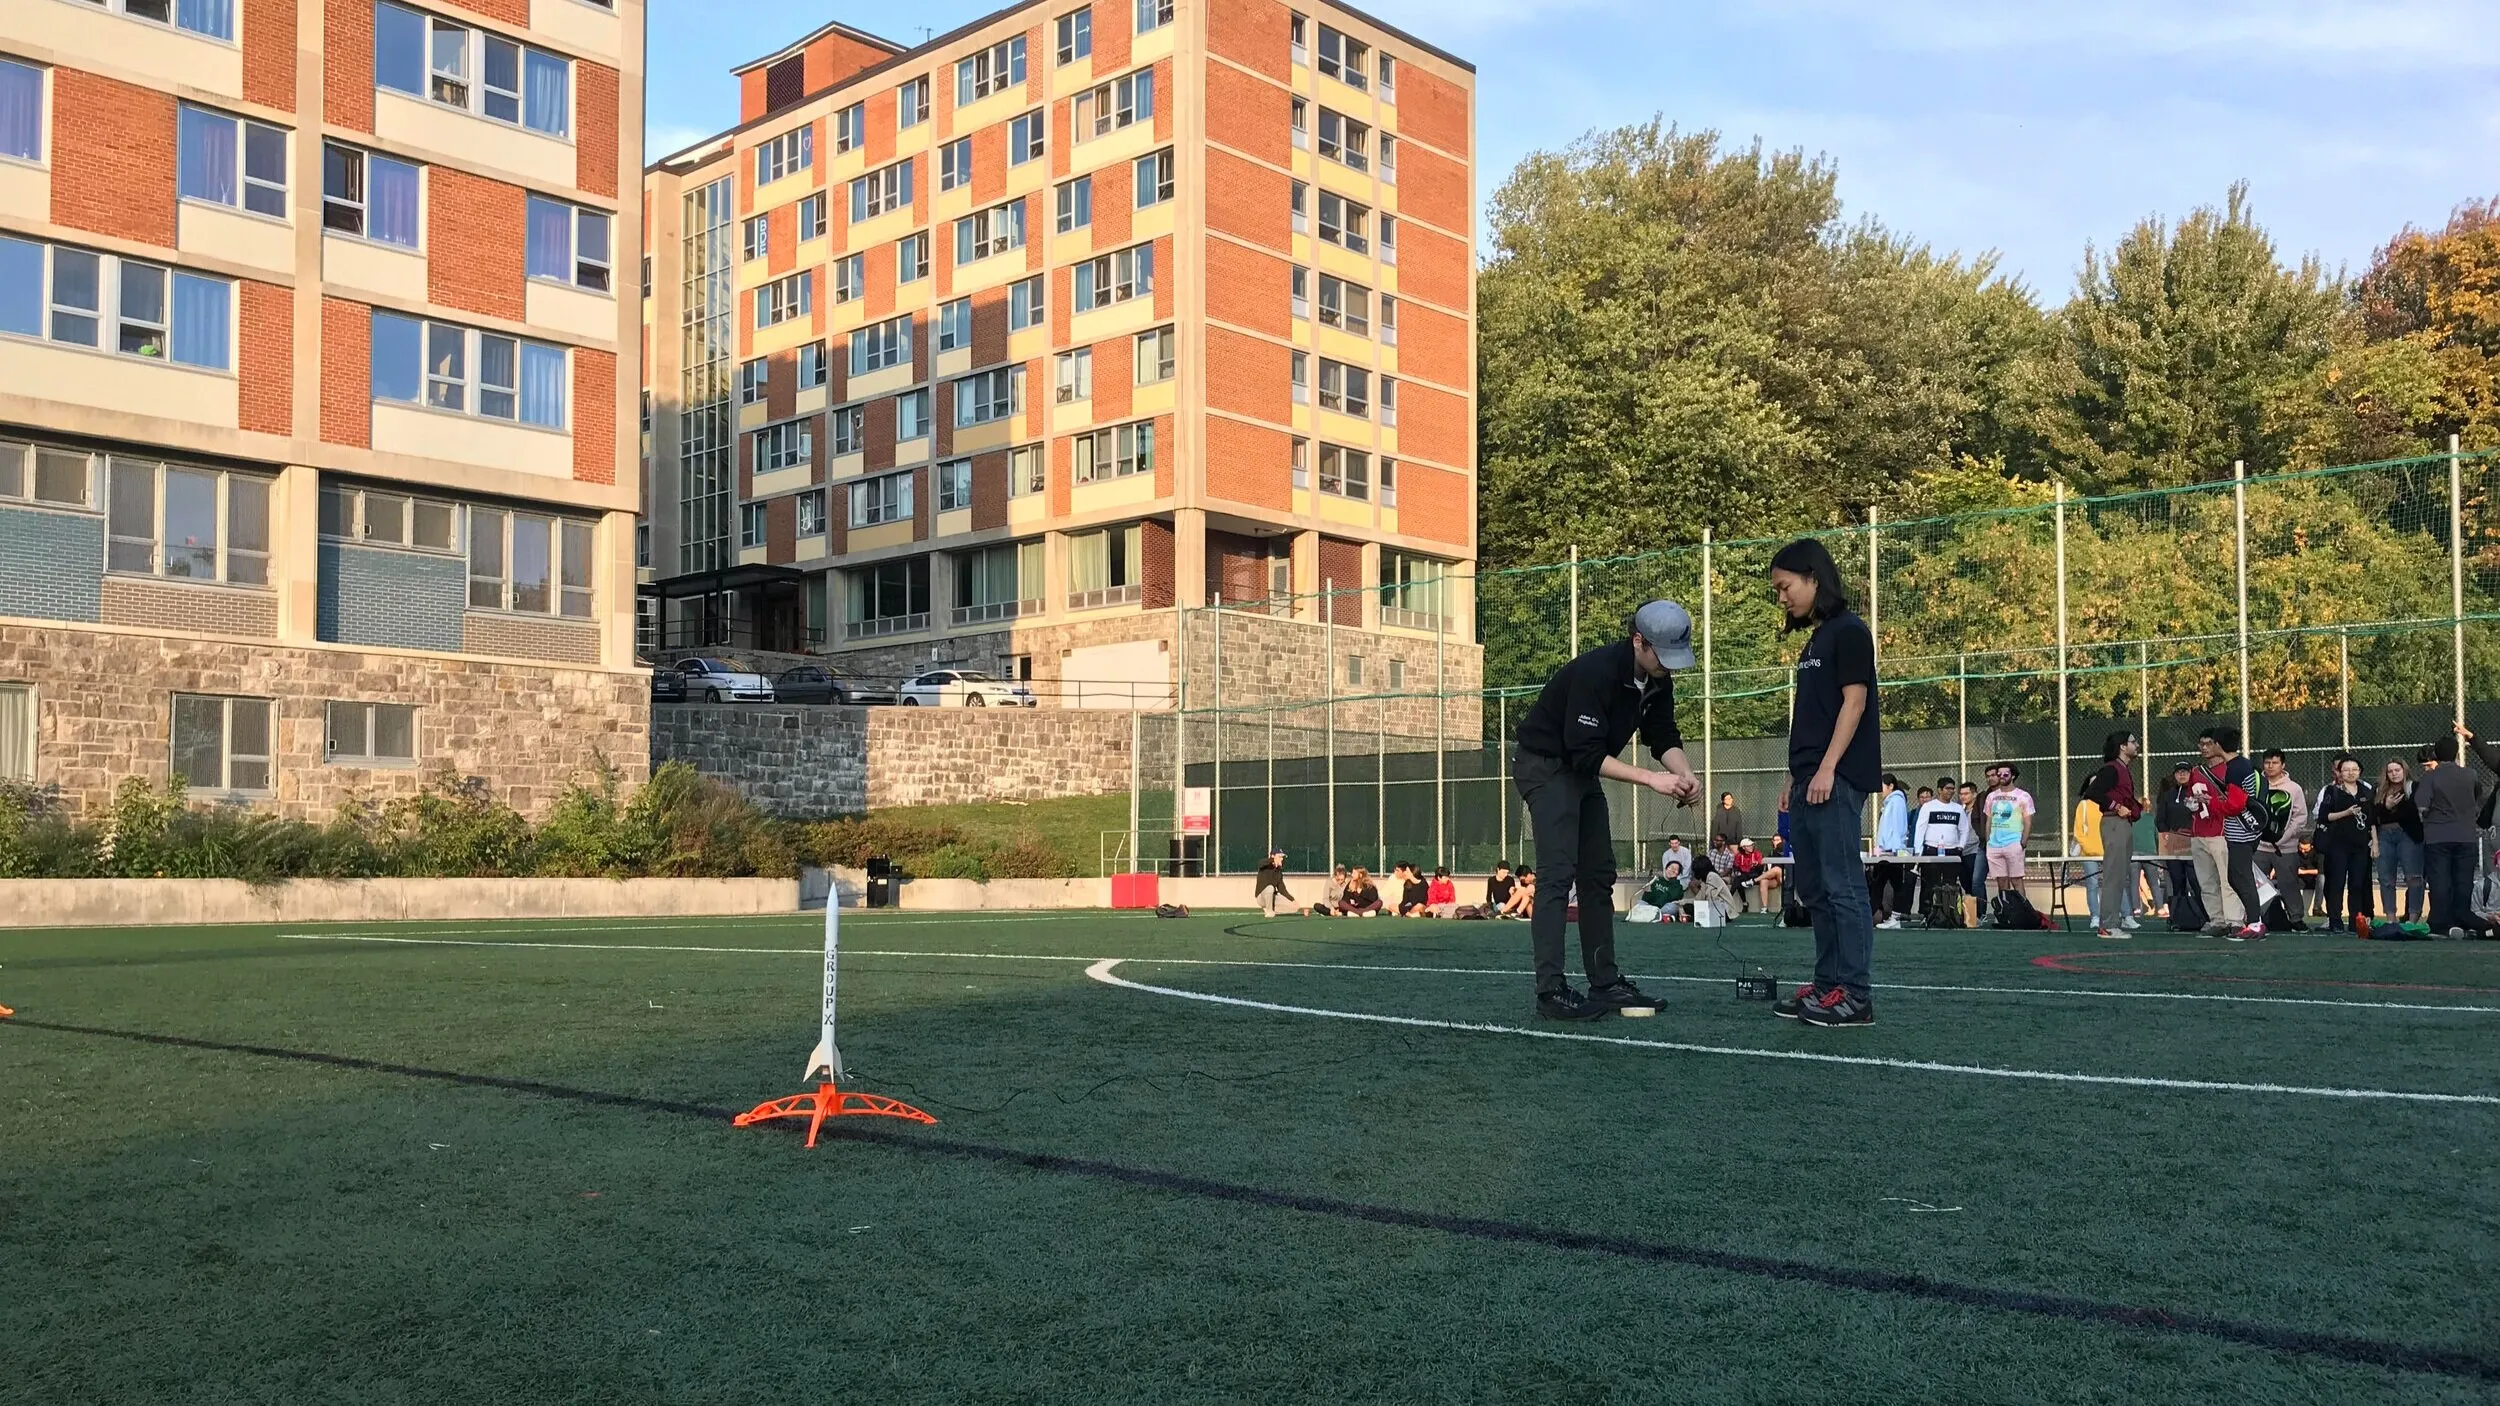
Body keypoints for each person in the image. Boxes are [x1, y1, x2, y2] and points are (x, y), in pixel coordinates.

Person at [1511, 599, 1701, 1019]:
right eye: (1663, 656)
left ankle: (1604, 984)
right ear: (1639, 642)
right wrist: (1653, 779)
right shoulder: (1596, 672)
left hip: (1579, 771)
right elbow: (1585, 752)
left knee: (1598, 876)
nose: (1668, 667)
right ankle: (1551, 992)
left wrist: (1686, 774)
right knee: (1558, 875)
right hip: (1544, 766)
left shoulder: (1656, 679)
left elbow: (1662, 734)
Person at [1766, 539, 1882, 1027]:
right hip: (1809, 779)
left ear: (1813, 577)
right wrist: (1796, 776)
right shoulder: (1817, 640)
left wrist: (1830, 767)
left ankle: (1855, 994)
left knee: (1843, 887)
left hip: (1835, 779)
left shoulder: (1850, 632)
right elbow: (1813, 717)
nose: (1782, 597)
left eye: (1785, 586)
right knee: (1814, 889)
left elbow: (1853, 704)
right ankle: (1828, 984)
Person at [2418, 727, 2500, 936]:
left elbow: (2422, 807)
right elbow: (2476, 798)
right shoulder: (2470, 774)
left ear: (2436, 755)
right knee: (2463, 880)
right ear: (2456, 753)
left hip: (2438, 836)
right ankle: (2464, 917)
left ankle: (2440, 922)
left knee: (2440, 880)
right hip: (2466, 835)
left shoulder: (2431, 777)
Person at [2187, 724, 2264, 940]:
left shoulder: (2236, 768)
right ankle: (2245, 921)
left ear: (2218, 744)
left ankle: (2250, 922)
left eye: (2210, 743)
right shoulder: (2239, 765)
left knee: (2240, 877)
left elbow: (2235, 805)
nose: (2205, 747)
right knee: (2233, 877)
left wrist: (2212, 803)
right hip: (2230, 831)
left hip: (2239, 831)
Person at [2082, 730, 2146, 939]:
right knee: (2114, 874)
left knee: (2120, 874)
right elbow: (2092, 792)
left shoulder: (2123, 769)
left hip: (2122, 823)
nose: (2136, 745)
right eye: (2133, 742)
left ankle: (2111, 922)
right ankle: (2108, 925)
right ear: (2122, 746)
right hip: (2114, 822)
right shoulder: (2112, 769)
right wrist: (2116, 806)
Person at [2314, 753, 2373, 931]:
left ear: (2360, 771)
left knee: (2357, 884)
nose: (2350, 773)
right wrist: (2345, 813)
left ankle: (2356, 921)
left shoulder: (2367, 791)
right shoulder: (2332, 791)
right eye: (2345, 770)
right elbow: (2324, 816)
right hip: (2337, 845)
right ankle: (2335, 921)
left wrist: (2374, 842)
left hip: (2360, 845)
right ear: (2339, 772)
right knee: (2336, 883)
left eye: (2354, 769)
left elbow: (2372, 820)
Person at [2254, 748, 2309, 929]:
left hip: (2285, 848)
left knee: (2289, 884)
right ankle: (2257, 918)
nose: (2270, 766)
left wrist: (2283, 837)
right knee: (2256, 885)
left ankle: (2296, 919)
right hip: (2259, 846)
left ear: (2283, 765)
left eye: (2275, 763)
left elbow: (2300, 817)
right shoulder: (2256, 785)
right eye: (2267, 763)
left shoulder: (2294, 788)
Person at [2372, 759, 2425, 922]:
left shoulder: (2413, 787)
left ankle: (2413, 918)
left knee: (2414, 877)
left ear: (2404, 771)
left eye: (2397, 770)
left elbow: (2412, 813)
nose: (2394, 774)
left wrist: (2387, 811)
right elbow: (2373, 815)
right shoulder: (2379, 790)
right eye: (2390, 771)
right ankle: (2390, 918)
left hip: (2408, 835)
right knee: (2386, 879)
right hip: (2385, 836)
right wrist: (2385, 807)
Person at [1982, 764, 2034, 906]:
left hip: (2013, 842)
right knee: (2001, 881)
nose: (2001, 777)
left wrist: (2023, 840)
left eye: (2005, 774)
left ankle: (2023, 911)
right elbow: (1988, 820)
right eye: (1999, 774)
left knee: (2016, 879)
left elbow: (2028, 820)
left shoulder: (2023, 796)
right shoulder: (1992, 796)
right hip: (1994, 844)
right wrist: (1988, 840)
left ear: (2013, 776)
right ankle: (2007, 912)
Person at [2154, 763, 2199, 922]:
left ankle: (2203, 916)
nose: (2182, 775)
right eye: (2178, 772)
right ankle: (2179, 917)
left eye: (2185, 772)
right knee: (2177, 881)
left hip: (2195, 843)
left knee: (2195, 880)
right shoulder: (2168, 795)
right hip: (2174, 845)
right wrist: (2169, 835)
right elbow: (2160, 820)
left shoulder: (2197, 793)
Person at [1869, 773, 1911, 930]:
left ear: (1891, 786)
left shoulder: (1896, 802)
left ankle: (1894, 917)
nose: (1880, 791)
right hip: (1886, 851)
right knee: (1881, 882)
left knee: (1893, 883)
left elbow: (1896, 827)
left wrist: (1892, 849)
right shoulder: (1890, 803)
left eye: (1882, 786)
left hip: (1892, 852)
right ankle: (1880, 914)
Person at [1954, 782, 1986, 925]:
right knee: (1966, 883)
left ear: (1974, 794)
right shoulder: (1961, 810)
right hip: (1962, 851)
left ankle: (1982, 912)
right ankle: (1971, 915)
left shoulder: (1978, 811)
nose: (1963, 797)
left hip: (1974, 849)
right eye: (1961, 794)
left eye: (1966, 794)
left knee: (1976, 882)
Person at [1254, 850, 1296, 917]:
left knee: (1294, 908)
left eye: (1282, 857)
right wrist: (1272, 860)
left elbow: (1282, 890)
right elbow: (1260, 863)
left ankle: (1270, 908)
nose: (1282, 859)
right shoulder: (1264, 866)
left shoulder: (1279, 871)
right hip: (1261, 897)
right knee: (1270, 888)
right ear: (1273, 856)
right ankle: (1269, 912)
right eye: (1279, 857)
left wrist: (1293, 900)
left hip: (1272, 897)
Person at [1729, 838, 1767, 913]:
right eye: (1749, 846)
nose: (1751, 847)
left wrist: (1756, 864)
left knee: (1737, 881)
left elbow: (1761, 865)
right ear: (1743, 847)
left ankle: (1729, 900)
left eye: (1752, 845)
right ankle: (1744, 903)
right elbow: (1736, 867)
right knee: (1738, 881)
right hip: (1744, 875)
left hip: (1755, 875)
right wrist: (1737, 872)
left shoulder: (1757, 854)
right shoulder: (1739, 856)